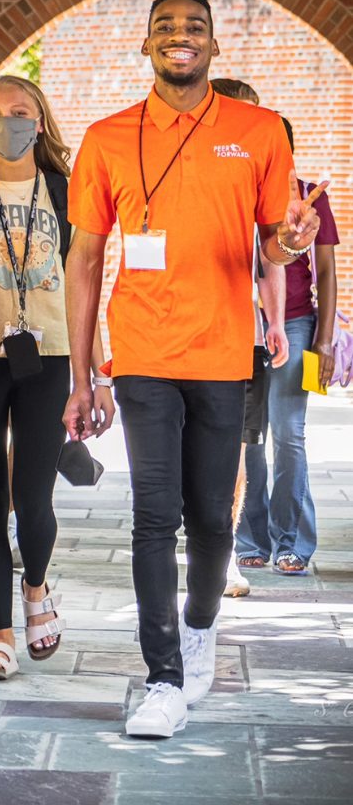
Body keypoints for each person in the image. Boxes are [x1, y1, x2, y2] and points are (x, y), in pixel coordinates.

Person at [63, 0, 326, 739]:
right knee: (154, 513)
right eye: (165, 27)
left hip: (221, 351)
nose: (181, 37)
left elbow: (271, 244)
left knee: (211, 517)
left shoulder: (257, 131)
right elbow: (84, 260)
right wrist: (83, 375)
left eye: (195, 28)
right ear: (145, 45)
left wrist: (295, 241)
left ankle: (202, 623)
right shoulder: (108, 137)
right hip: (143, 351)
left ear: (213, 46)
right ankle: (163, 677)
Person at [0, 74, 114, 679]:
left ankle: (35, 588)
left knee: (33, 497)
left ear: (40, 122)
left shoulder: (67, 194)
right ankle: (1, 636)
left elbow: (85, 288)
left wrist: (97, 374)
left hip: (51, 358)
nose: (7, 123)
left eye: (20, 112)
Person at [236, 117, 339, 575]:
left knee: (288, 434)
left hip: (296, 323)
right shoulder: (238, 190)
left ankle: (292, 540)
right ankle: (249, 537)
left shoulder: (311, 193)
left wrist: (325, 340)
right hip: (240, 322)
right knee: (247, 438)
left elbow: (329, 273)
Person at [210, 78, 289, 598]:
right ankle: (186, 539)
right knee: (177, 454)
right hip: (179, 335)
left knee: (236, 452)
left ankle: (222, 556)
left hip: (243, 337)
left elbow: (271, 255)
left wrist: (277, 322)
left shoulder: (262, 179)